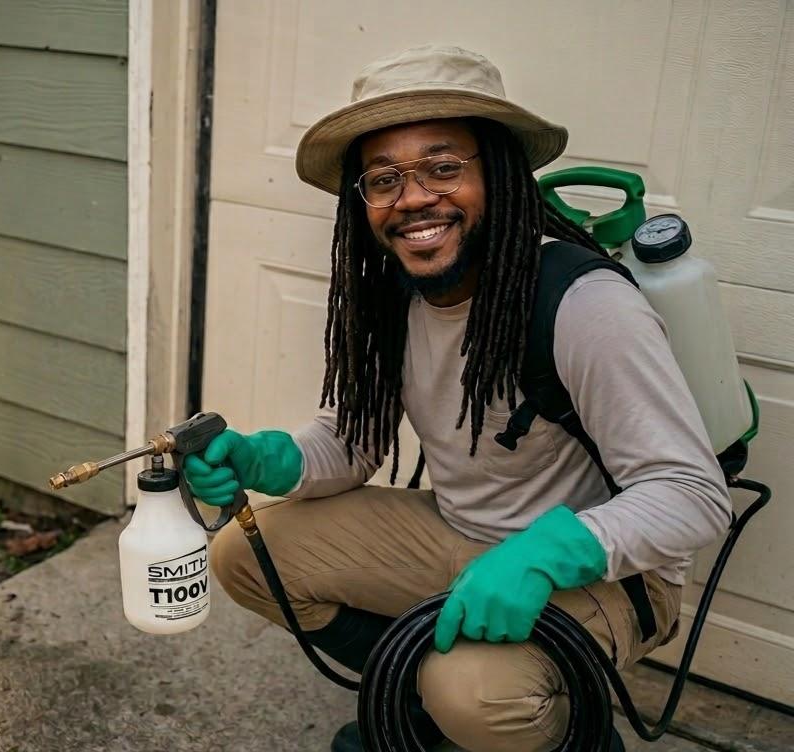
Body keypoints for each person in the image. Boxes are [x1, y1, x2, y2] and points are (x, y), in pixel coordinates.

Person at [186, 45, 731, 752]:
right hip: (461, 533)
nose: (412, 198)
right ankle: (424, 708)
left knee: (470, 691)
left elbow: (694, 492)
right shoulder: (394, 293)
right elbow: (353, 441)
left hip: (613, 573)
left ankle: (571, 734)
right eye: (384, 179)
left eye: (444, 167)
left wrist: (544, 554)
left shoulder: (583, 303)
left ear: (498, 173)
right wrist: (269, 458)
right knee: (244, 554)